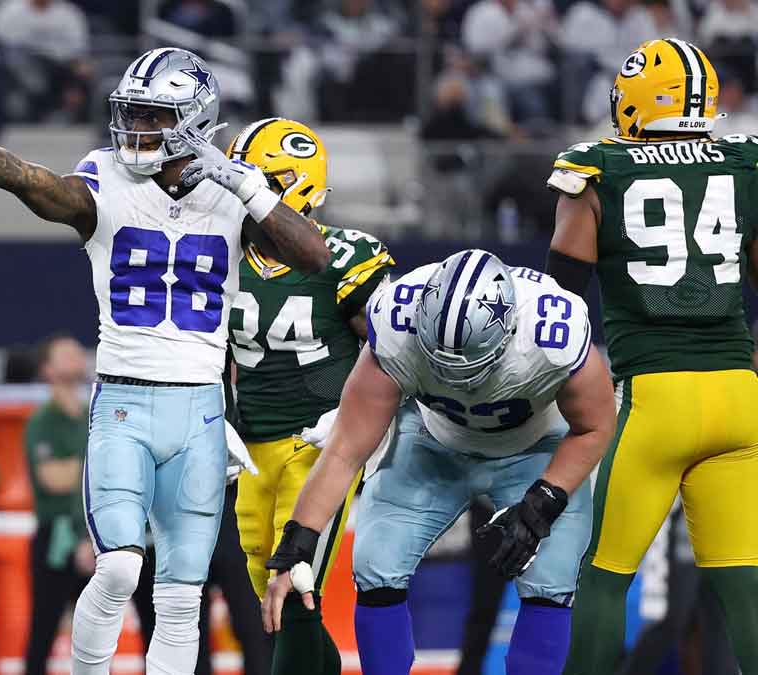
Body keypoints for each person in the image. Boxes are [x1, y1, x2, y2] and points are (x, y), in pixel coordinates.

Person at [0, 46, 329, 674]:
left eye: (154, 116)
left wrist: (243, 182)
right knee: (119, 567)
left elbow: (313, 256)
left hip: (202, 412)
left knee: (183, 597)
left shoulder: (231, 191)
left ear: (194, 120)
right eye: (132, 113)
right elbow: (41, 185)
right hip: (126, 399)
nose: (136, 129)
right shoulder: (108, 177)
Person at [264, 250, 618, 675]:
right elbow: (345, 449)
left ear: (509, 334)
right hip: (435, 439)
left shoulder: (552, 332)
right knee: (376, 562)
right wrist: (295, 545)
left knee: (551, 580)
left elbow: (595, 427)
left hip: (535, 446)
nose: (456, 377)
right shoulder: (398, 318)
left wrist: (545, 498)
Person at [545, 38, 758, 674]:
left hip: (653, 400)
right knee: (744, 588)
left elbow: (558, 307)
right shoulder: (744, 162)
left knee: (603, 578)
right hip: (739, 396)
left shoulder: (595, 169)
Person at [224, 118, 394, 675]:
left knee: (292, 584)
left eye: (257, 180)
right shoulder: (222, 253)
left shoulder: (346, 256)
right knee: (279, 611)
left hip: (320, 444)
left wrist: (367, 423)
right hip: (250, 449)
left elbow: (398, 353)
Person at [22, 334, 96, 675]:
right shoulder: (43, 421)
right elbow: (52, 477)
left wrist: (75, 464)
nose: (76, 358)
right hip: (55, 536)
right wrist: (94, 462)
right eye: (65, 354)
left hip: (93, 534)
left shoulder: (96, 413)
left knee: (95, 631)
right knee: (44, 627)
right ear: (47, 369)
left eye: (77, 352)